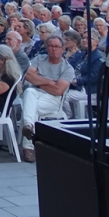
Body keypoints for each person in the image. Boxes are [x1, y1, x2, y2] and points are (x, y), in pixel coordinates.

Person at [20, 34, 73, 162]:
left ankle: (28, 145)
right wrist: (50, 82)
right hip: (35, 93)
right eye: (51, 46)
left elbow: (59, 90)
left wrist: (38, 80)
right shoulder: (39, 59)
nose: (54, 49)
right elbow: (28, 76)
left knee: (30, 106)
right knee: (29, 93)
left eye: (57, 46)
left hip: (54, 100)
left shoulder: (67, 68)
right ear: (47, 47)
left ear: (62, 49)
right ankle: (28, 132)